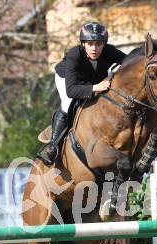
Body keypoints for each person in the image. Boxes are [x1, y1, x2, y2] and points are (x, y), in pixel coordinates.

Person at [38, 21, 126, 166]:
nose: (94, 48)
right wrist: (96, 87)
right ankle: (52, 146)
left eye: (99, 44)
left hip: (91, 79)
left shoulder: (110, 51)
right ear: (83, 43)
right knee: (68, 104)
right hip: (67, 79)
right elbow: (72, 90)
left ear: (104, 44)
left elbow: (130, 62)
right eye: (90, 44)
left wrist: (113, 73)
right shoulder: (74, 55)